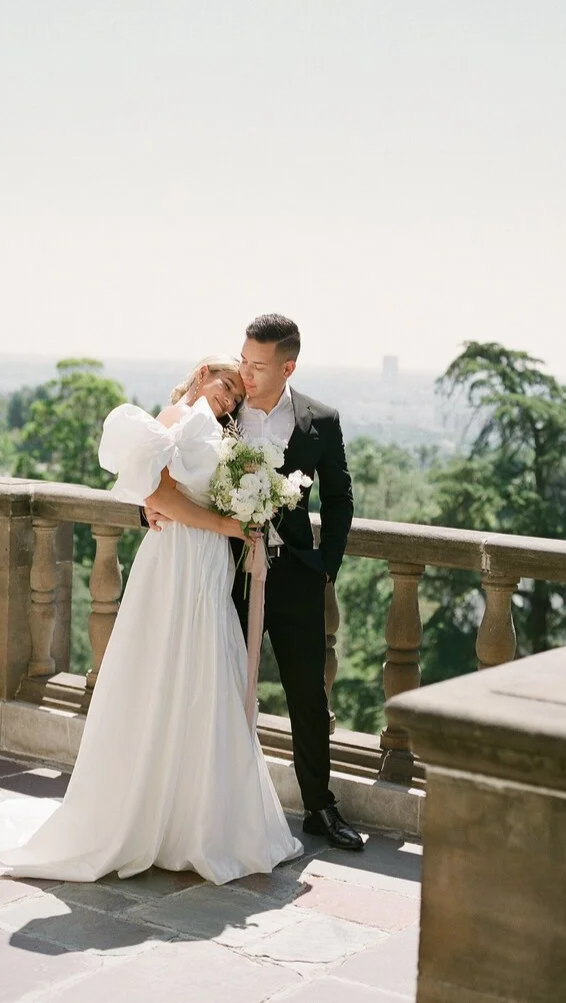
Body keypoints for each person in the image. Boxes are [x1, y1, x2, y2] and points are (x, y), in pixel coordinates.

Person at [0, 354, 303, 885]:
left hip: (206, 566)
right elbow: (157, 495)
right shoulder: (173, 418)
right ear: (202, 376)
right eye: (225, 385)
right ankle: (152, 816)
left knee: (205, 677)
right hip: (175, 563)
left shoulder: (219, 432)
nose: (229, 399)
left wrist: (241, 513)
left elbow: (182, 493)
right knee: (163, 669)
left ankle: (202, 818)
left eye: (236, 398)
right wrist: (227, 524)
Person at [147, 317, 364, 851]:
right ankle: (212, 806)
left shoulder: (322, 421)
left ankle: (319, 806)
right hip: (221, 575)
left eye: (257, 365)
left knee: (307, 693)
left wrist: (326, 566)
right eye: (242, 360)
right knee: (215, 689)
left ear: (287, 367)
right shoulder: (220, 409)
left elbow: (339, 497)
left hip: (294, 579)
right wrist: (147, 511)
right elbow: (167, 469)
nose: (244, 371)